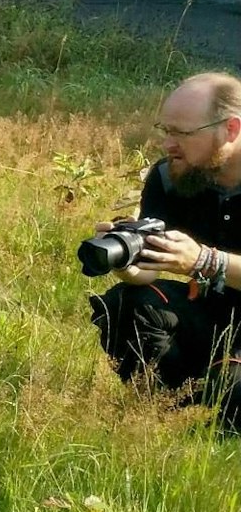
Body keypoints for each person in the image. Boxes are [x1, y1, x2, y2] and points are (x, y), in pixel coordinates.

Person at [89, 72, 241, 423]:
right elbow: (152, 272)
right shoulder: (171, 178)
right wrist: (127, 256)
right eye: (166, 130)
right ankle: (159, 414)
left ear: (230, 130)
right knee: (126, 305)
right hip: (208, 316)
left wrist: (205, 260)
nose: (167, 144)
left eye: (182, 133)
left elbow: (200, 262)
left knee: (233, 390)